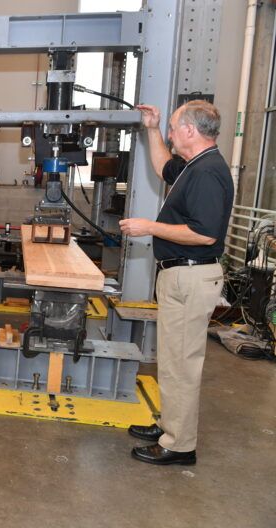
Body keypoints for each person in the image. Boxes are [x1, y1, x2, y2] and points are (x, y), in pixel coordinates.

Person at [121, 100, 233, 466]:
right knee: (170, 361)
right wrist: (151, 129)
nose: (169, 135)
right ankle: (170, 425)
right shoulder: (192, 166)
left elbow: (204, 234)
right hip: (179, 274)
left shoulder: (207, 173)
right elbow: (162, 167)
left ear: (189, 131)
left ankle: (180, 445)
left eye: (171, 128)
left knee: (182, 364)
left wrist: (149, 227)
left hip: (191, 274)